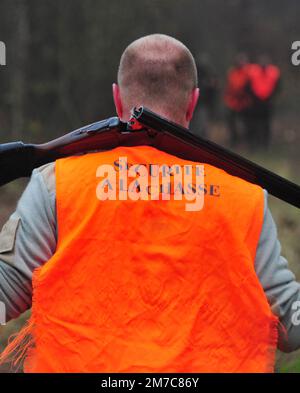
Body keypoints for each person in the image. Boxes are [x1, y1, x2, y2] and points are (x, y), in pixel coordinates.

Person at [0, 34, 299, 373]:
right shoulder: (244, 196)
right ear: (193, 103)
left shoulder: (57, 184)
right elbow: (290, 321)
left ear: (116, 98)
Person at [246, 55, 281, 149]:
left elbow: (277, 87)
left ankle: (266, 144)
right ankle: (255, 143)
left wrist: (271, 98)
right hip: (255, 103)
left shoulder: (274, 72)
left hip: (267, 103)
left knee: (266, 124)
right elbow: (248, 86)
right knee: (254, 123)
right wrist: (253, 98)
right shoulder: (253, 72)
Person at [224, 53, 252, 147]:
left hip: (245, 102)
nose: (240, 62)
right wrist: (228, 98)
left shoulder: (249, 72)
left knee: (247, 124)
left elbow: (251, 87)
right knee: (232, 124)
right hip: (233, 102)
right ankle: (234, 141)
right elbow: (229, 87)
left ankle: (247, 142)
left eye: (242, 60)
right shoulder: (232, 72)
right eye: (239, 60)